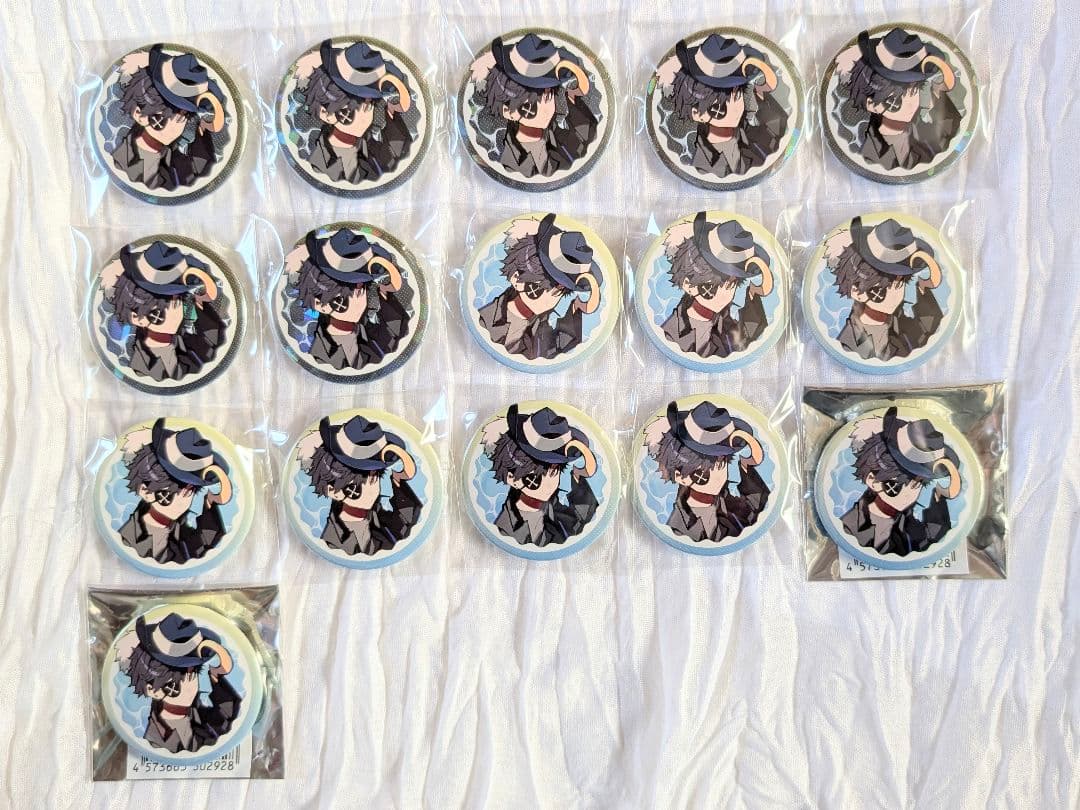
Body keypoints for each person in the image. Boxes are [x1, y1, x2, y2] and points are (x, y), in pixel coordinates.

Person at [471, 33, 598, 178]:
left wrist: (574, 99)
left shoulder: (559, 139)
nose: (546, 110)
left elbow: (584, 141)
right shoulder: (505, 158)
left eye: (549, 97)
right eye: (533, 103)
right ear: (508, 111)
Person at [477, 214, 601, 361]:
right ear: (516, 279)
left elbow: (558, 349)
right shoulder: (487, 318)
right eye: (540, 288)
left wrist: (575, 310)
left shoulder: (541, 329)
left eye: (559, 292)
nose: (548, 301)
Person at [841, 407, 961, 557]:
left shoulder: (909, 525)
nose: (909, 494)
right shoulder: (849, 526)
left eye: (917, 484)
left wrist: (938, 501)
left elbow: (932, 542)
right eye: (900, 482)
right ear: (873, 480)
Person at [101, 240, 226, 383]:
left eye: (178, 302)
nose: (176, 312)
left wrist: (199, 306)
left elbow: (213, 340)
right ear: (136, 318)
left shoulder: (187, 340)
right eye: (164, 307)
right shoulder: (143, 365)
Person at [116, 612, 241, 754]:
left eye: (193, 674)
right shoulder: (154, 739)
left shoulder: (199, 716)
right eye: (178, 680)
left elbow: (226, 718)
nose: (190, 684)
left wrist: (215, 677)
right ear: (152, 690)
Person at [645, 401, 770, 542]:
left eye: (722, 464)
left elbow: (756, 508)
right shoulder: (679, 527)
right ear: (680, 476)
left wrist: (746, 467)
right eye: (706, 471)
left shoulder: (725, 501)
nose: (719, 476)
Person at [299, 415, 422, 556]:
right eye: (361, 482)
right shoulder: (334, 541)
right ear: (333, 491)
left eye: (375, 477)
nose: (372, 489)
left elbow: (405, 526)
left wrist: (398, 481)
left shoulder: (377, 517)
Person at [295, 39, 415, 184]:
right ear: (325, 113)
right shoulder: (318, 164)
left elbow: (396, 158)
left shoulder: (369, 147)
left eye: (370, 104)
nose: (366, 114)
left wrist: (391, 113)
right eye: (357, 105)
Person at [826, 217, 944, 362]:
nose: (896, 293)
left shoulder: (901, 326)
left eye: (900, 283)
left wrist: (923, 289)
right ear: (856, 291)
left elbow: (929, 329)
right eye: (886, 285)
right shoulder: (847, 345)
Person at [110, 45, 227, 191]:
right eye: (170, 113)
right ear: (139, 114)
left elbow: (200, 174)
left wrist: (202, 133)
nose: (177, 124)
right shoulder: (120, 162)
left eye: (184, 116)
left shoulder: (176, 161)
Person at [481, 405, 599, 547]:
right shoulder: (506, 528)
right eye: (538, 476)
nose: (549, 485)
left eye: (554, 473)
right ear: (512, 478)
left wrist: (578, 479)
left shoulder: (556, 512)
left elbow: (584, 520)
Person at [660, 213, 772, 359]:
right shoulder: (672, 332)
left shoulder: (724, 322)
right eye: (712, 286)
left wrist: (752, 296)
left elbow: (748, 340)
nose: (724, 294)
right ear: (688, 285)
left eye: (731, 284)